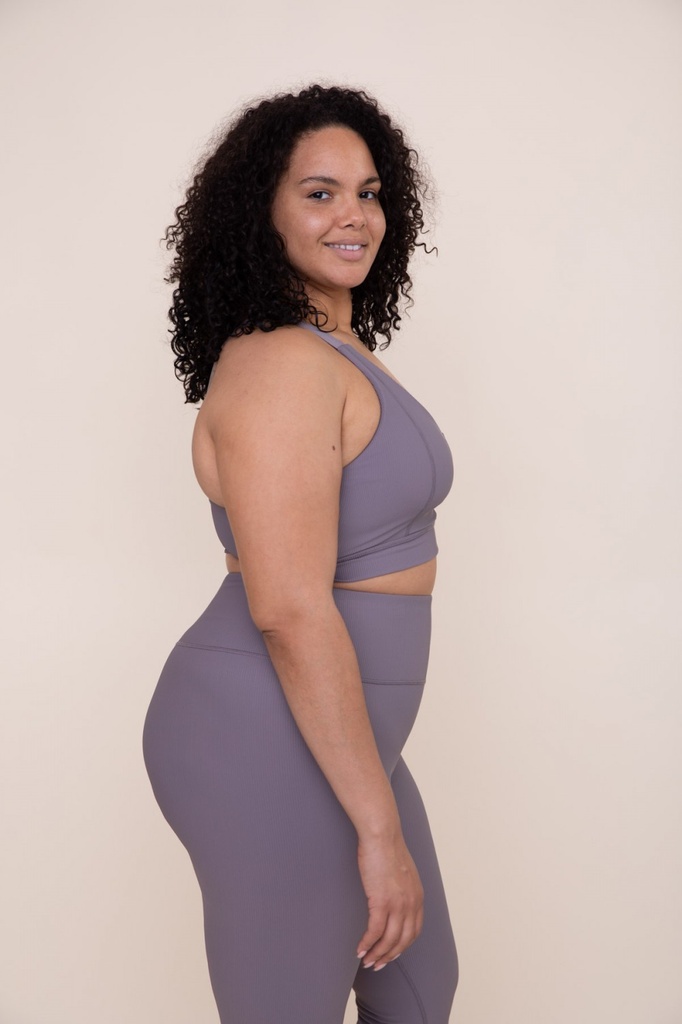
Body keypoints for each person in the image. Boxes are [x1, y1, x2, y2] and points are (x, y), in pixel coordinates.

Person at [142, 82, 458, 1024]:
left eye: (368, 192)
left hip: (338, 728)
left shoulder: (333, 349)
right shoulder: (281, 362)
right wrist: (377, 829)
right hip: (262, 732)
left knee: (417, 989)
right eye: (320, 193)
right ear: (262, 212)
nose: (354, 215)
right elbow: (285, 606)